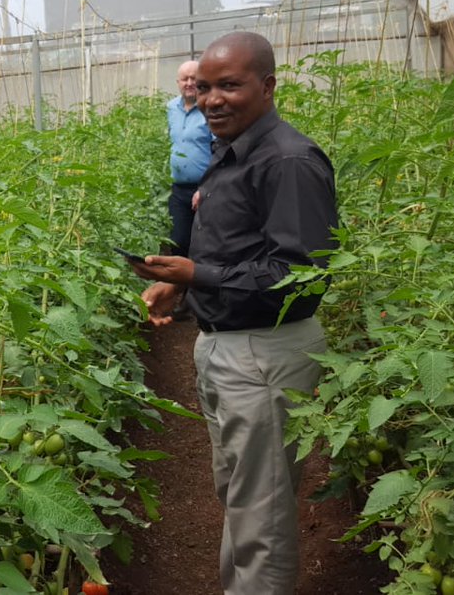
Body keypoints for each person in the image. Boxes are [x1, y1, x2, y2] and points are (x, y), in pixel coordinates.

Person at [129, 32, 338, 595]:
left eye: (229, 85)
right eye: (204, 88)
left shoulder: (288, 161)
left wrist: (198, 275)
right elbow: (239, 250)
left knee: (261, 510)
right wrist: (181, 287)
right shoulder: (231, 151)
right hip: (229, 346)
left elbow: (301, 275)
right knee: (241, 494)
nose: (212, 99)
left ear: (267, 86)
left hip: (264, 352)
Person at [164, 59, 213, 318]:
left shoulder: (209, 109)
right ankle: (181, 293)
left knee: (203, 245)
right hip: (178, 188)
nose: (190, 83)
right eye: (185, 79)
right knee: (178, 241)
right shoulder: (171, 108)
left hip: (204, 189)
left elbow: (220, 150)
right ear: (178, 82)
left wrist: (206, 187)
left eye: (195, 78)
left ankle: (197, 300)